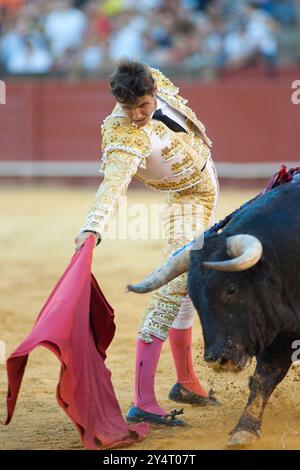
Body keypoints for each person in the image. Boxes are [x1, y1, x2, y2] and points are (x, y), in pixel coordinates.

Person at [75, 59, 220, 426]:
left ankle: (186, 381)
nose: (137, 115)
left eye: (142, 105)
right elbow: (114, 185)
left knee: (187, 290)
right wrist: (93, 227)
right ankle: (143, 400)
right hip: (187, 200)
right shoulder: (122, 134)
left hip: (208, 185)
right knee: (174, 285)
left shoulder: (154, 78)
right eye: (128, 109)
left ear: (152, 90)